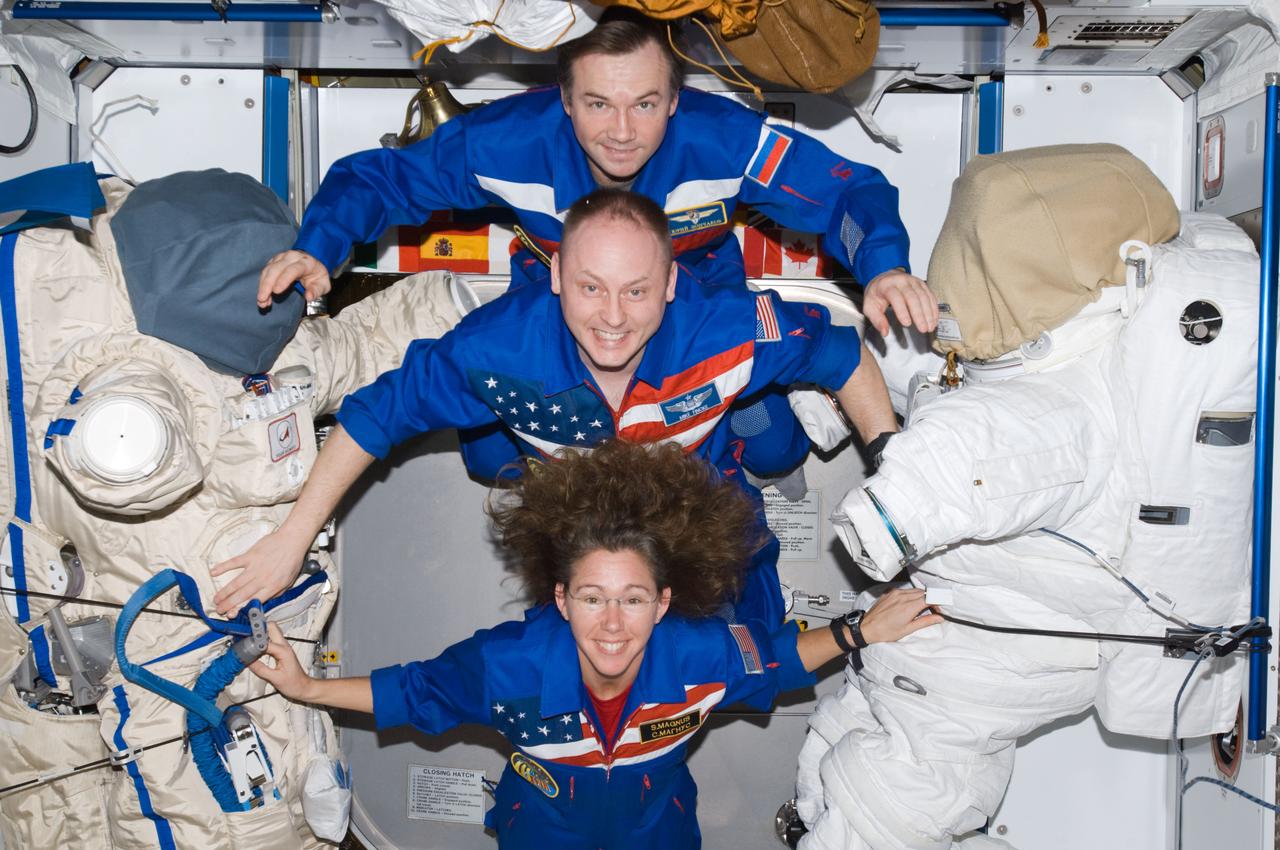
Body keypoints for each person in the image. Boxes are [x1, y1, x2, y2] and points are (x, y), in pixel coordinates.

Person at [254, 9, 935, 481]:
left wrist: (884, 267)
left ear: (675, 100)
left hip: (697, 301)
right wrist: (321, 245)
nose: (621, 132)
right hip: (559, 300)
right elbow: (384, 180)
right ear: (564, 100)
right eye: (599, 104)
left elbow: (846, 189)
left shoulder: (725, 138)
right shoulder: (504, 141)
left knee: (775, 449)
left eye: (643, 103)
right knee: (490, 462)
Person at [211, 189, 897, 625]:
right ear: (559, 279)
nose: (612, 319)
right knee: (487, 458)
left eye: (635, 292)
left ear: (670, 287)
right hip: (559, 468)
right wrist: (294, 536)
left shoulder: (725, 329)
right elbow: (373, 417)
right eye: (591, 288)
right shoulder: (496, 352)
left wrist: (895, 477)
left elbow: (843, 355)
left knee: (765, 491)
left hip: (695, 468)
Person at [248, 439, 942, 849]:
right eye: (592, 597)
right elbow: (413, 691)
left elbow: (782, 659)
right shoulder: (508, 666)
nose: (612, 624)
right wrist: (307, 689)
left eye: (633, 599)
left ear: (663, 602)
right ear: (560, 598)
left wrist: (860, 630)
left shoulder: (698, 653)